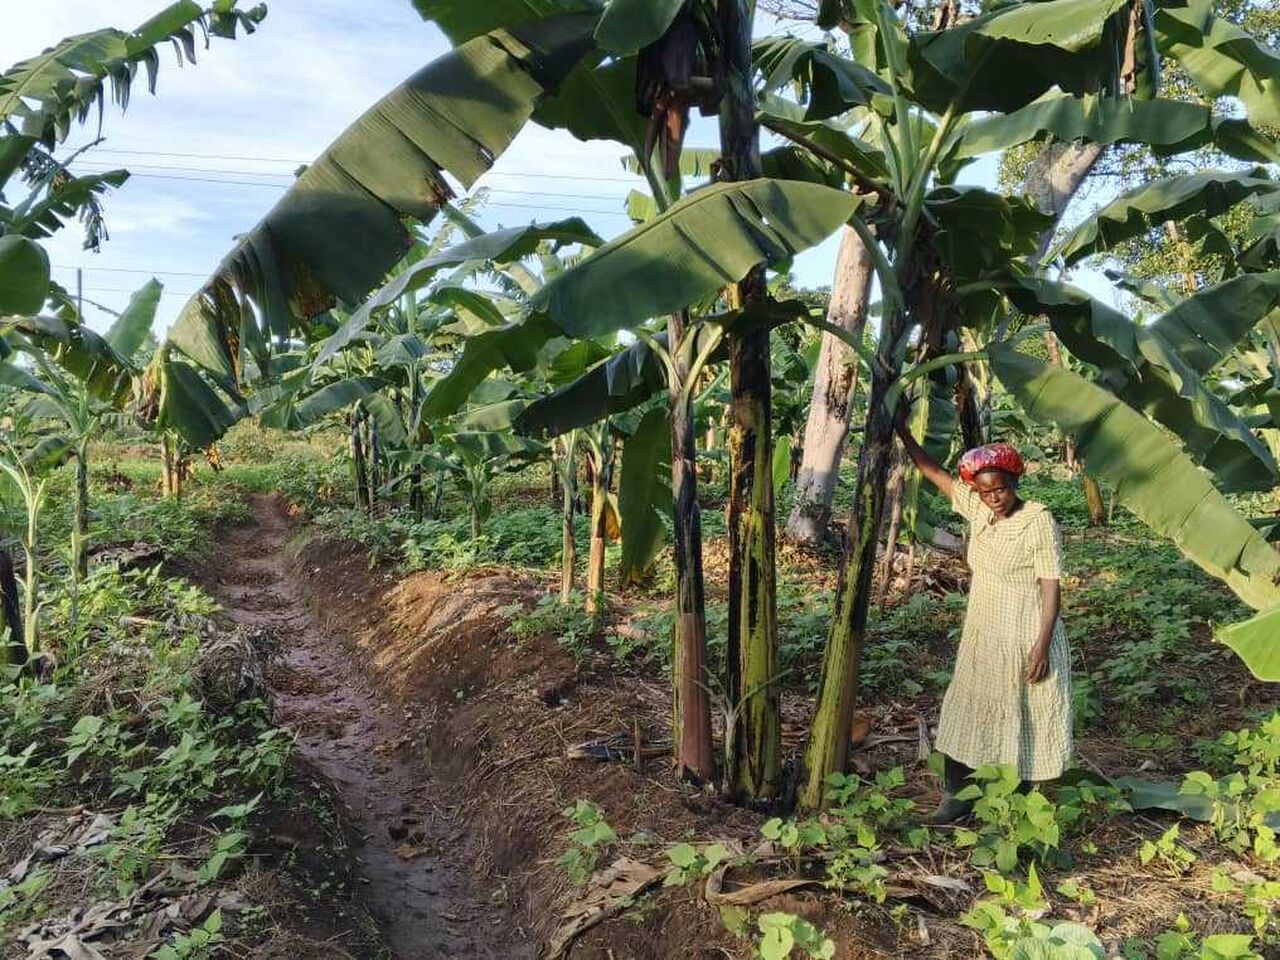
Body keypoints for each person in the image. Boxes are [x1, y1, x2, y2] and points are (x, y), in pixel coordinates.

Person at [894, 407, 1072, 824]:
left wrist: (1041, 646)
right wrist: (902, 430)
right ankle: (958, 797)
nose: (995, 496)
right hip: (985, 630)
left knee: (1025, 713)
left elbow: (1051, 586)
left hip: (1027, 629)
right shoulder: (979, 511)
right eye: (987, 490)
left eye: (1001, 488)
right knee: (965, 709)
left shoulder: (1037, 521)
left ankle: (1019, 804)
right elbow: (934, 472)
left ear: (1014, 483)